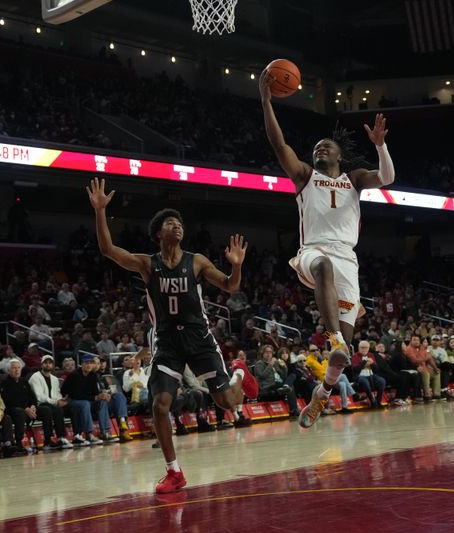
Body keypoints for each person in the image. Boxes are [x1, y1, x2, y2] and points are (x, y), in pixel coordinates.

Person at [87, 177, 257, 493]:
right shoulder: (147, 265)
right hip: (167, 341)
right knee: (159, 405)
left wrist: (236, 267)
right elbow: (108, 249)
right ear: (158, 233)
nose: (177, 226)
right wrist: (100, 211)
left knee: (225, 403)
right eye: (170, 223)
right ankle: (174, 472)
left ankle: (238, 374)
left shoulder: (196, 262)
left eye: (179, 223)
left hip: (199, 339)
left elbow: (231, 286)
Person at [260, 69, 394, 428]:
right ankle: (332, 334)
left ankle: (321, 397)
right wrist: (266, 101)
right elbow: (279, 145)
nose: (320, 148)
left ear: (338, 156)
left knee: (343, 356)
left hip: (347, 258)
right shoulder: (304, 175)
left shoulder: (354, 179)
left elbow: (387, 178)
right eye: (317, 146)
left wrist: (380, 145)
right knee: (323, 269)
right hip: (313, 251)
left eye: (326, 146)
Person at [28, 354, 73, 450]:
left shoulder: (55, 379)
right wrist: (55, 402)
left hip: (51, 404)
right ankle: (47, 441)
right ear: (41, 364)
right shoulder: (35, 377)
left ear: (53, 365)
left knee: (60, 409)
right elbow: (39, 396)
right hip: (37, 405)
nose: (48, 365)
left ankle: (61, 437)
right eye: (45, 363)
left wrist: (60, 400)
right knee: (47, 409)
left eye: (50, 363)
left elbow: (57, 394)